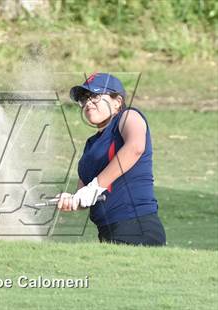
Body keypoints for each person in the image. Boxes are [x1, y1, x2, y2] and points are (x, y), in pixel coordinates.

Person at [57, 73, 166, 246]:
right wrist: (72, 199)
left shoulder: (128, 116)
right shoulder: (91, 145)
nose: (88, 103)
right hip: (107, 231)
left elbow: (135, 148)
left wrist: (94, 187)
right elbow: (86, 195)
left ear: (117, 102)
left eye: (95, 95)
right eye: (84, 99)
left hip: (137, 226)